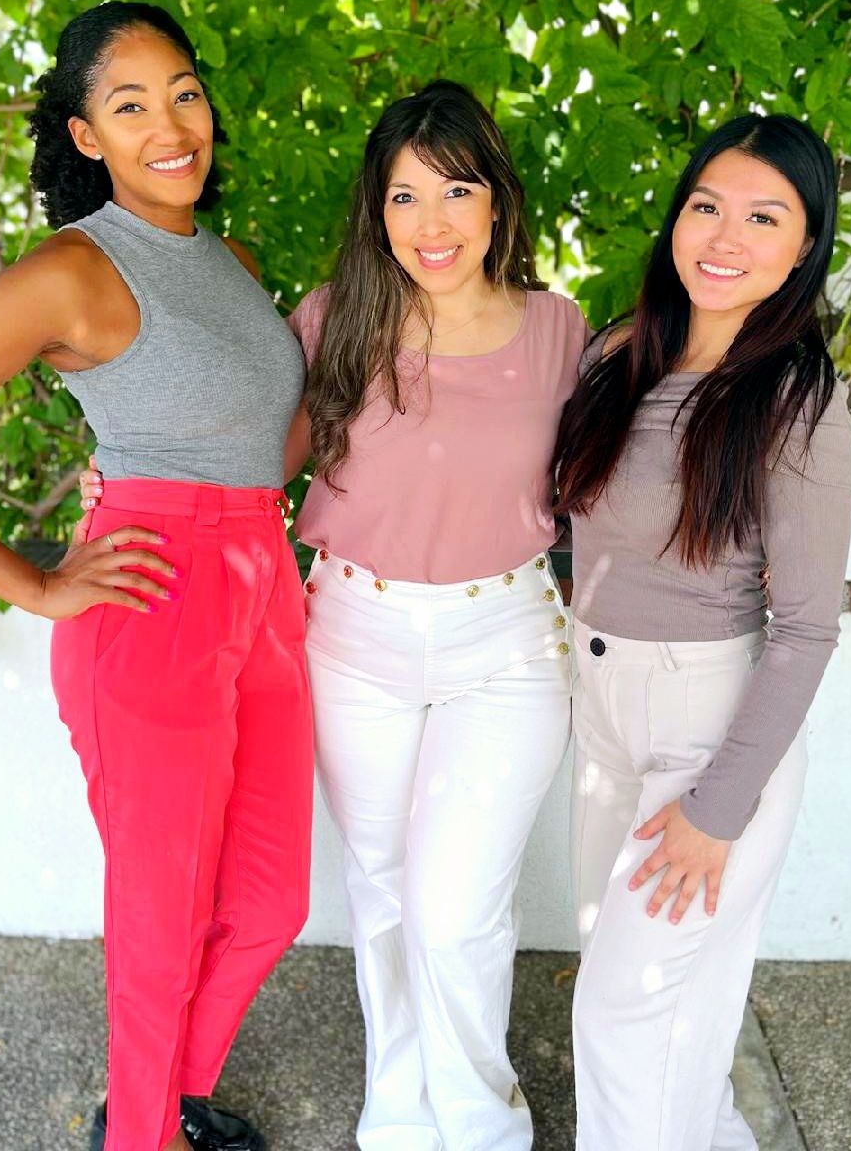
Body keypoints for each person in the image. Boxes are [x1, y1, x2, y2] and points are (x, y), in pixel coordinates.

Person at [82, 79, 587, 1149]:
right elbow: (243, 459)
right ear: (377, 210)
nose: (432, 223)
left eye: (456, 191)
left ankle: (482, 1121)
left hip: (506, 643)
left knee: (458, 911)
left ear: (498, 199)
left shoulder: (557, 329)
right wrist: (130, 481)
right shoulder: (333, 318)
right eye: (404, 198)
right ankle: (399, 1112)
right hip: (353, 634)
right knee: (386, 890)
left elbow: (610, 473)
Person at [0, 0, 312, 1151]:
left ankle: (171, 1098)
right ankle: (141, 1137)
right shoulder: (69, 275)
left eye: (185, 92)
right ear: (86, 133)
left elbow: (267, 439)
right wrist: (39, 583)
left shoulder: (233, 260)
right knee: (163, 922)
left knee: (269, 900)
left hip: (266, 591)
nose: (171, 124)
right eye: (130, 103)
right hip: (153, 599)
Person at [553, 113, 851, 1151]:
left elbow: (811, 626)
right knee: (661, 1000)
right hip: (603, 714)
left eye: (763, 218)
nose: (724, 237)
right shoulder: (619, 352)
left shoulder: (796, 397)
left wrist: (717, 809)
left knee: (622, 1010)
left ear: (803, 247)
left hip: (708, 733)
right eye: (707, 206)